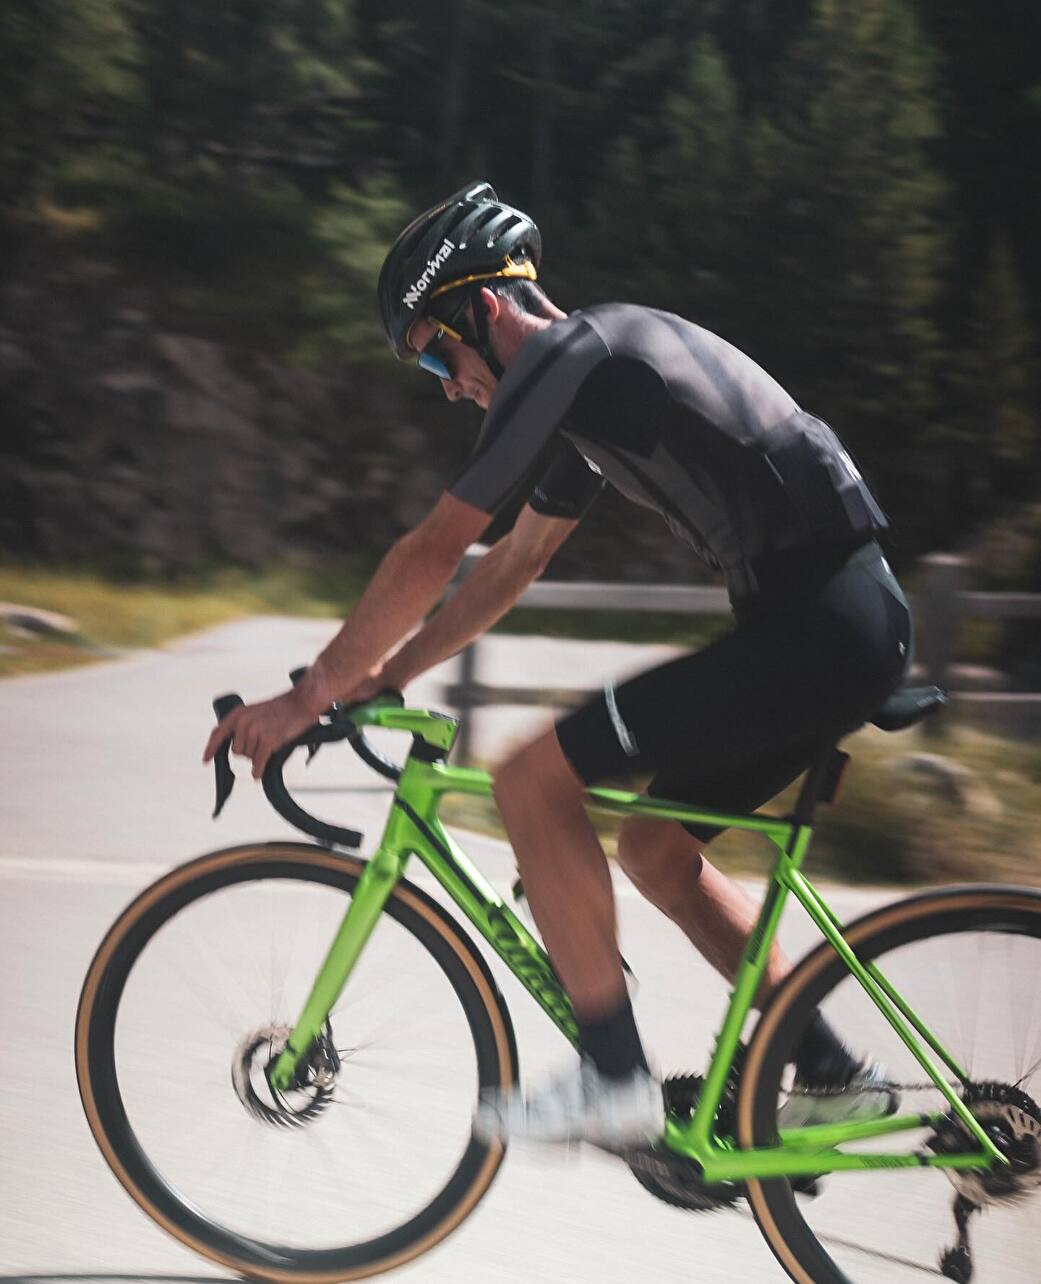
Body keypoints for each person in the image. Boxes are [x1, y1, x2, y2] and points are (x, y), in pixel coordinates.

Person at [204, 180, 912, 1149]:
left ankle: (612, 1078)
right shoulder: (593, 394)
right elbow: (509, 566)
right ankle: (830, 1070)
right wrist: (384, 678)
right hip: (824, 622)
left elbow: (432, 547)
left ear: (484, 307)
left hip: (823, 623)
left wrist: (306, 694)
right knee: (657, 852)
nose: (447, 384)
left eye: (431, 351)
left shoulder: (578, 354)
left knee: (532, 780)